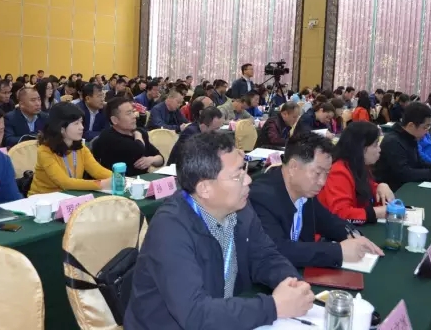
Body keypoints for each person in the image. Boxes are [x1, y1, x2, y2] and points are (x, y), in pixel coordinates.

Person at [125, 132, 313, 330]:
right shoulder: (169, 230)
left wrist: (293, 285)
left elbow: (265, 257)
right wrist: (273, 307)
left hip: (223, 319)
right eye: (237, 175)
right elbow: (195, 314)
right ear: (205, 188)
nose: (248, 180)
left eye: (244, 170)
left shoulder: (240, 208)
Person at [249, 132, 384, 268]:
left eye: (326, 174)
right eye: (318, 173)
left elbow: (327, 220)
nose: (322, 182)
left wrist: (353, 235)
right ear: (294, 167)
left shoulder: (304, 191)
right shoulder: (261, 197)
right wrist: (338, 251)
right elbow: (278, 250)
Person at [318, 122, 395, 224]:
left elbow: (366, 190)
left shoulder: (359, 166)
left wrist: (381, 186)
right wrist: (375, 213)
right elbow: (341, 214)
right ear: (361, 148)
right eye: (375, 145)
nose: (379, 149)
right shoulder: (338, 171)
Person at [29, 103, 112, 195]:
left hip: (69, 196)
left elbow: (97, 171)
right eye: (76, 123)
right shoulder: (44, 151)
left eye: (81, 122)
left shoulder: (81, 148)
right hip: (42, 198)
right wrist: (100, 184)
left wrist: (118, 178)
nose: (82, 127)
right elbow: (65, 183)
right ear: (61, 128)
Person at [374, 102, 431, 191]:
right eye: (425, 127)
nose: (427, 132)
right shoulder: (393, 141)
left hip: (406, 185)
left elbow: (418, 162)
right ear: (411, 125)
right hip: (394, 191)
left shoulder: (410, 137)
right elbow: (403, 173)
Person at [92, 97, 164, 177]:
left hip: (142, 180)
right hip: (117, 181)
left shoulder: (137, 133)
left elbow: (161, 159)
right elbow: (139, 149)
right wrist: (138, 134)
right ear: (115, 120)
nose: (134, 116)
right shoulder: (108, 137)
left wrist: (151, 160)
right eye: (128, 113)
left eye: (133, 111)